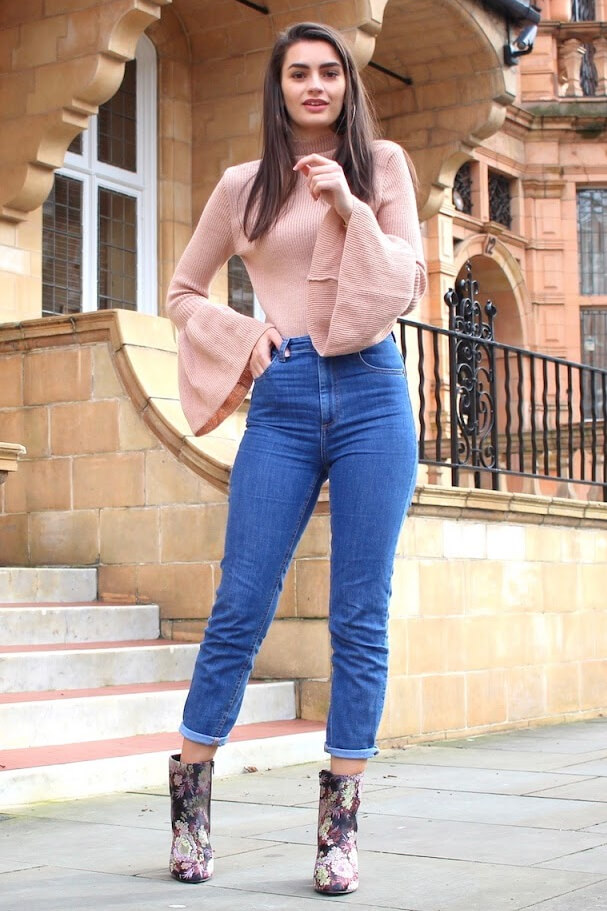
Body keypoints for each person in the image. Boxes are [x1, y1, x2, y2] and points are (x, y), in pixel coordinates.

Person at [165, 21, 426, 894]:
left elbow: (407, 282)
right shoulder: (243, 185)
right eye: (298, 74)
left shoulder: (381, 165)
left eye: (329, 73)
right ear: (277, 89)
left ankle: (338, 833)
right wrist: (244, 334)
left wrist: (348, 207)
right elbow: (182, 289)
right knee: (241, 600)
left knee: (360, 611)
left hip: (372, 395)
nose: (314, 85)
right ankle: (192, 806)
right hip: (282, 398)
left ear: (347, 85)